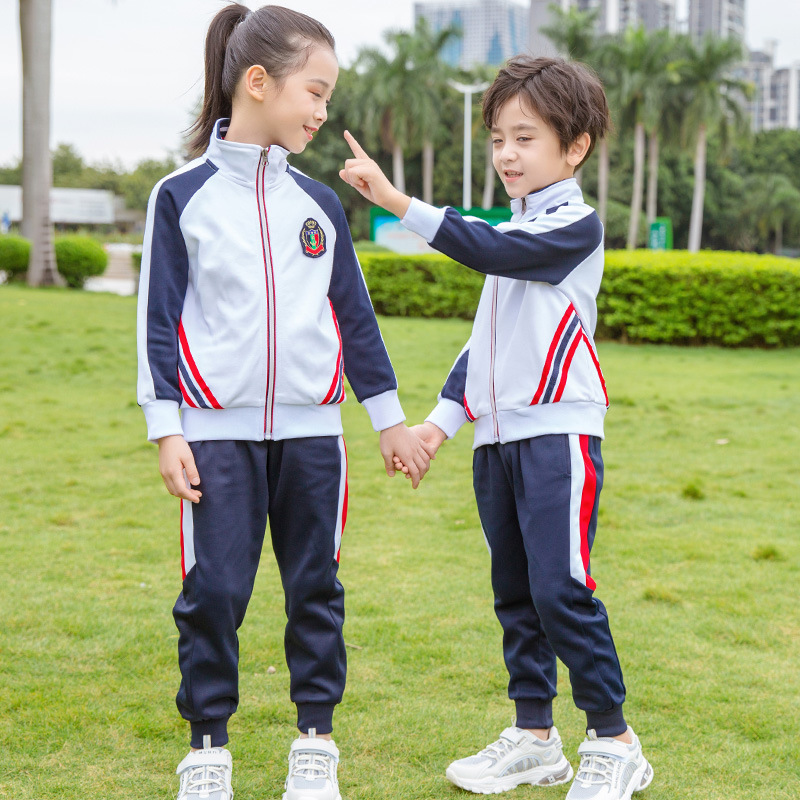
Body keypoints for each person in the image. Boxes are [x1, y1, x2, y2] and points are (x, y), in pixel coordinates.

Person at [136, 5, 432, 800]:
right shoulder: (182, 196)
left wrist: (389, 421)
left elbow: (355, 320)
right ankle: (206, 751)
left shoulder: (320, 207)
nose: (323, 112)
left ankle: (315, 746)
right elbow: (157, 322)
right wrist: (168, 430)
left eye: (329, 98)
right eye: (316, 91)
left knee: (316, 588)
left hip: (312, 438)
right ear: (258, 83)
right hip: (213, 438)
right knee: (216, 592)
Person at [339, 55, 653, 800]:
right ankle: (536, 738)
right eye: (498, 140)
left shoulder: (572, 227)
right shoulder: (518, 229)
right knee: (515, 591)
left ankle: (615, 740)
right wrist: (434, 430)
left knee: (561, 590)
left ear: (573, 148)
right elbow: (484, 347)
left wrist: (396, 201)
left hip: (559, 436)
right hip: (500, 441)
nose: (508, 154)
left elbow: (487, 248)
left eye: (526, 138)